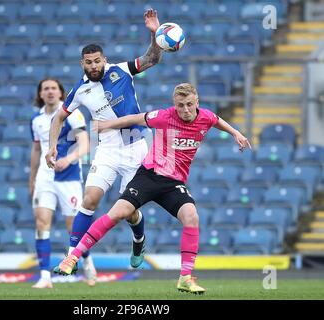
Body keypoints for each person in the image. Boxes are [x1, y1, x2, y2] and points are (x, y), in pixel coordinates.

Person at [55, 83, 252, 294]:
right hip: (148, 176)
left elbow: (217, 121)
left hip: (174, 184)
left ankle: (185, 277)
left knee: (191, 217)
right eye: (180, 105)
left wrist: (236, 133)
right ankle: (73, 257)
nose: (185, 110)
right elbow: (136, 118)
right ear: (174, 105)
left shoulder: (206, 117)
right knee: (119, 212)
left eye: (189, 105)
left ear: (197, 103)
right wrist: (108, 125)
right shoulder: (165, 116)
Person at [45, 8, 163, 272]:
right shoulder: (80, 90)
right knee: (90, 200)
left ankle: (138, 239)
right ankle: (71, 256)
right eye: (88, 62)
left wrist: (155, 34)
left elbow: (152, 58)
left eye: (97, 61)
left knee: (129, 211)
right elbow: (58, 118)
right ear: (82, 64)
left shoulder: (122, 70)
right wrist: (52, 146)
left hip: (135, 146)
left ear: (104, 59)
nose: (94, 66)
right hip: (107, 148)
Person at [29, 78, 96, 288]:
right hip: (44, 178)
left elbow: (85, 144)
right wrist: (32, 179)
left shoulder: (72, 114)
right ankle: (44, 277)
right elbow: (37, 150)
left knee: (72, 228)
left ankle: (86, 261)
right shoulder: (36, 120)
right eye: (45, 88)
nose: (49, 92)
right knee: (41, 223)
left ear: (60, 93)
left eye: (53, 88)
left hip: (69, 177)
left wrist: (68, 159)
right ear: (40, 94)